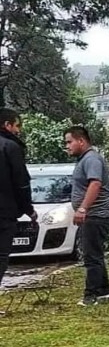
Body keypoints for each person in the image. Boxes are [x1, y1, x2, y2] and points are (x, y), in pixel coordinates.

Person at [65, 126, 109, 306]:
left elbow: (95, 184)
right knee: (94, 253)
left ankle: (91, 295)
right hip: (93, 215)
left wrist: (82, 209)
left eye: (69, 141)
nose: (67, 146)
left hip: (97, 214)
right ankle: (105, 289)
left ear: (81, 141)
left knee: (91, 255)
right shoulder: (84, 160)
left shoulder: (91, 159)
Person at [0, 108, 36, 287]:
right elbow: (21, 183)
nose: (18, 131)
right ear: (7, 125)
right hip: (4, 213)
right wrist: (28, 209)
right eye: (17, 125)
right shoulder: (10, 147)